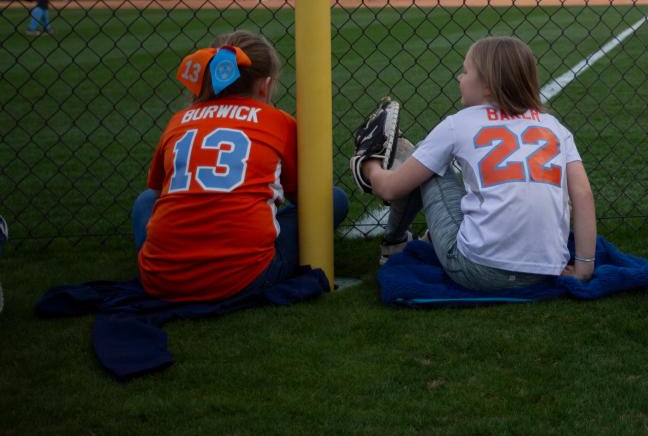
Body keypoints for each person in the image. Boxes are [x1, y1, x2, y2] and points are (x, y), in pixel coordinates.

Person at [358, 36, 598, 289]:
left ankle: (393, 244)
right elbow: (582, 194)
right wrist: (584, 267)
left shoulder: (457, 123)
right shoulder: (555, 128)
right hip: (545, 271)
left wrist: (369, 164)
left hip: (475, 270)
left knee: (423, 158)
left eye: (466, 71)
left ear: (488, 87)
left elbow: (390, 189)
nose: (459, 78)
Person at [132, 30, 348, 302]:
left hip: (160, 280)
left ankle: (167, 259)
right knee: (333, 199)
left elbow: (157, 188)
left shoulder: (179, 120)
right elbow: (300, 197)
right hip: (243, 279)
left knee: (145, 201)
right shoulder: (278, 121)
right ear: (265, 85)